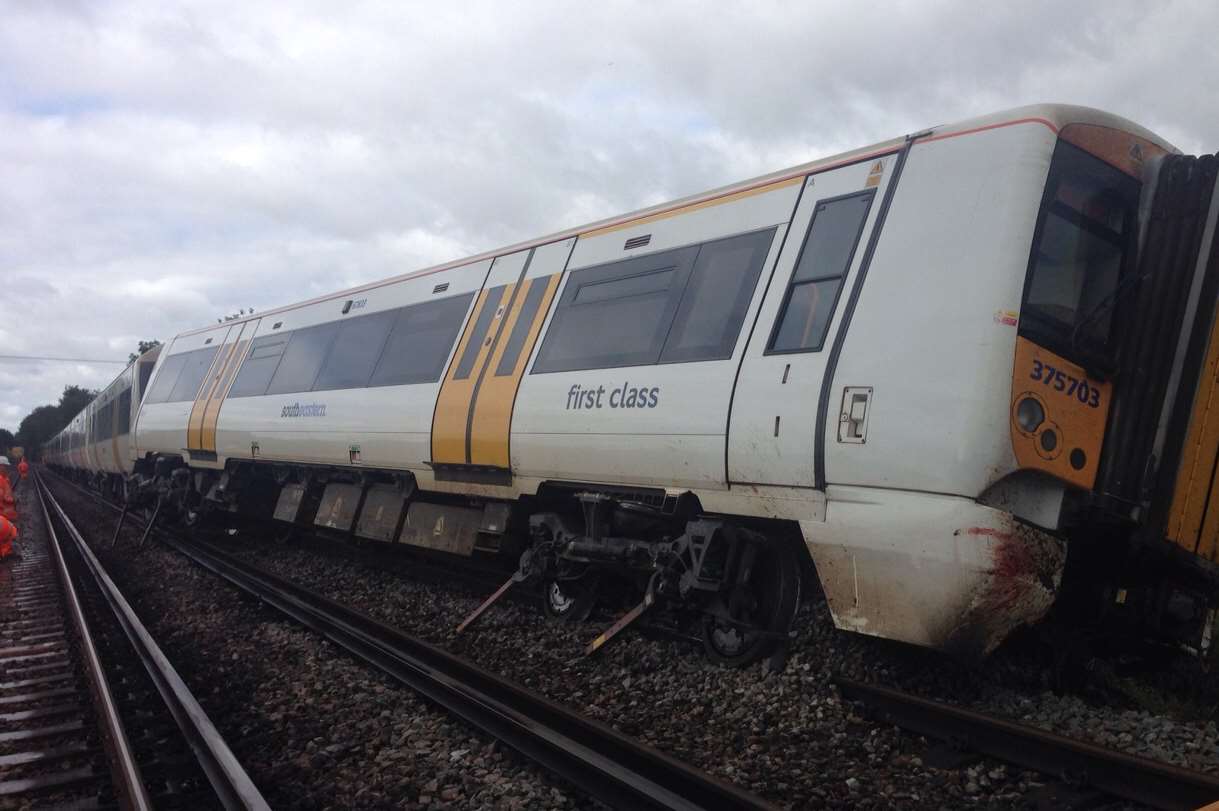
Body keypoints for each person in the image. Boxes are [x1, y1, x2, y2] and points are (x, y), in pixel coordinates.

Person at [0, 457, 16, 526]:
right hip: (3, 518)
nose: (7, 469)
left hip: (7, 517)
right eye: (5, 466)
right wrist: (11, 500)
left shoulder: (5, 479)